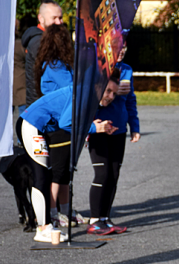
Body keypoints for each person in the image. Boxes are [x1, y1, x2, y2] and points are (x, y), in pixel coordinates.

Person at [19, 79, 118, 243]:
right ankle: (43, 228)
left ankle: (46, 225)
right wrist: (94, 128)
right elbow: (65, 123)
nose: (111, 96)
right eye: (108, 91)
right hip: (31, 125)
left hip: (38, 127)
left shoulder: (86, 92)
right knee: (42, 177)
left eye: (114, 93)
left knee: (45, 175)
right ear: (98, 86)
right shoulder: (82, 94)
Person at [86, 44, 141, 236]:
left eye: (125, 46)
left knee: (114, 174)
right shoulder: (97, 68)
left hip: (119, 131)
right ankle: (94, 220)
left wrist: (134, 126)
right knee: (102, 174)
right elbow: (88, 100)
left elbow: (131, 100)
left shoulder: (127, 70)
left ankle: (105, 218)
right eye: (118, 46)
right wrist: (90, 126)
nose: (122, 50)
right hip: (100, 130)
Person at [33, 23, 83, 229]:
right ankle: (53, 213)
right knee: (58, 172)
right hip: (57, 126)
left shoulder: (57, 65)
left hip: (63, 123)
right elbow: (71, 88)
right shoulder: (55, 67)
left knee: (65, 173)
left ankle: (66, 209)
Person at [22, 0, 63, 107]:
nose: (59, 22)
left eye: (60, 18)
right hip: (42, 107)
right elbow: (57, 75)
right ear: (41, 19)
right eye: (54, 18)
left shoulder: (49, 40)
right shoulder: (39, 42)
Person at [13, 19, 27, 146]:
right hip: (21, 81)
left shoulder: (0, 44)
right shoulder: (19, 45)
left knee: (5, 117)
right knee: (23, 115)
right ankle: (21, 140)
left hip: (7, 85)